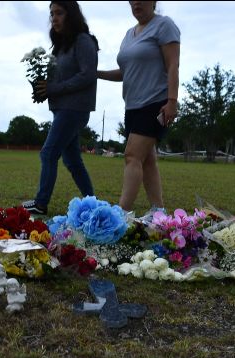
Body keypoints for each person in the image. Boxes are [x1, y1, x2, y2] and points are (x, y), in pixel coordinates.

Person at [97, 1, 180, 213]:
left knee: (132, 156)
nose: (136, 2)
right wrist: (96, 74)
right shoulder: (129, 34)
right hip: (132, 106)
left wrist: (172, 101)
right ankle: (158, 213)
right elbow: (125, 73)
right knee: (147, 161)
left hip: (155, 103)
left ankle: (120, 214)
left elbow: (173, 65)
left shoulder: (164, 25)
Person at [22, 1, 99, 216]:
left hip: (74, 109)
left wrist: (54, 88)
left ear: (71, 15)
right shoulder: (62, 45)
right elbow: (61, 76)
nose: (54, 18)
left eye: (59, 13)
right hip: (62, 108)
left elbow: (87, 75)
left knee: (48, 153)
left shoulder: (83, 41)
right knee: (72, 160)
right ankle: (93, 202)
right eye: (52, 14)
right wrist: (43, 88)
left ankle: (41, 203)